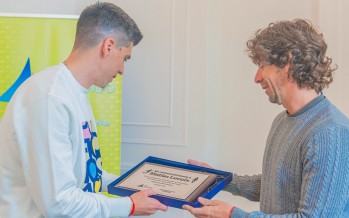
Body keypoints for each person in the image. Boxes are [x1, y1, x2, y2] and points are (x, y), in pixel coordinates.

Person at [0, 2, 167, 217]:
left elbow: (86, 175)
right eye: (124, 58)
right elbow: (59, 204)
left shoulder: (71, 92)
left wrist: (127, 185)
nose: (122, 70)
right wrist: (130, 205)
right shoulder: (50, 99)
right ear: (108, 46)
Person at [183, 19, 349, 217]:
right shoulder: (282, 120)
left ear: (288, 62)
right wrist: (218, 179)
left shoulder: (329, 133)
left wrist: (233, 215)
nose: (257, 77)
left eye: (262, 66)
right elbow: (276, 185)